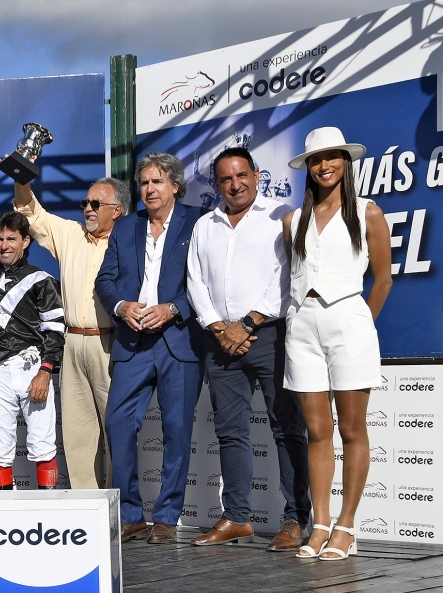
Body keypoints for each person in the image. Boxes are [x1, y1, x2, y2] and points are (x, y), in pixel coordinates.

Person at [186, 148, 311, 551]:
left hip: (270, 335)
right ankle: (238, 518)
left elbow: (286, 274)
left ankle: (296, 519)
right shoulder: (205, 225)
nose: (235, 184)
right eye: (225, 178)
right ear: (216, 183)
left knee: (286, 429)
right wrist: (219, 327)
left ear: (257, 175)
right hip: (220, 341)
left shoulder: (281, 216)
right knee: (230, 432)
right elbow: (195, 281)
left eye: (241, 175)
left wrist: (249, 323)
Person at [283, 127, 393, 561]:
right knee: (316, 431)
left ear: (346, 162)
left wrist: (360, 324)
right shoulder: (294, 220)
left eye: (332, 157)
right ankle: (321, 524)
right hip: (301, 327)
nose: (324, 165)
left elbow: (382, 280)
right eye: (315, 159)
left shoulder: (368, 213)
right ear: (308, 167)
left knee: (351, 429)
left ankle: (346, 527)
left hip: (349, 323)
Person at [97, 152, 204, 544]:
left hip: (179, 340)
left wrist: (174, 308)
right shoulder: (126, 227)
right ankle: (130, 515)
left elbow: (208, 280)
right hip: (133, 341)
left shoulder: (199, 221)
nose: (149, 189)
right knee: (118, 423)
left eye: (157, 181)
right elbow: (105, 279)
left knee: (176, 430)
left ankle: (166, 517)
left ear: (175, 185)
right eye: (144, 182)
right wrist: (120, 306)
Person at [14, 174, 128, 489]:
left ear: (117, 210)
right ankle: (87, 506)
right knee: (78, 435)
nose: (88, 209)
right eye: (84, 203)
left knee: (116, 431)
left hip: (111, 343)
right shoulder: (70, 233)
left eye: (96, 204)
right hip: (73, 341)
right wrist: (20, 175)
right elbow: (29, 212)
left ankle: (119, 507)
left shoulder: (130, 242)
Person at [0, 212, 66, 489]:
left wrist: (45, 370)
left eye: (11, 239)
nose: (4, 246)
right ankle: (3, 505)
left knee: (43, 443)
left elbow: (55, 330)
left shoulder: (41, 279)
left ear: (25, 241)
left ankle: (48, 505)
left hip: (32, 367)